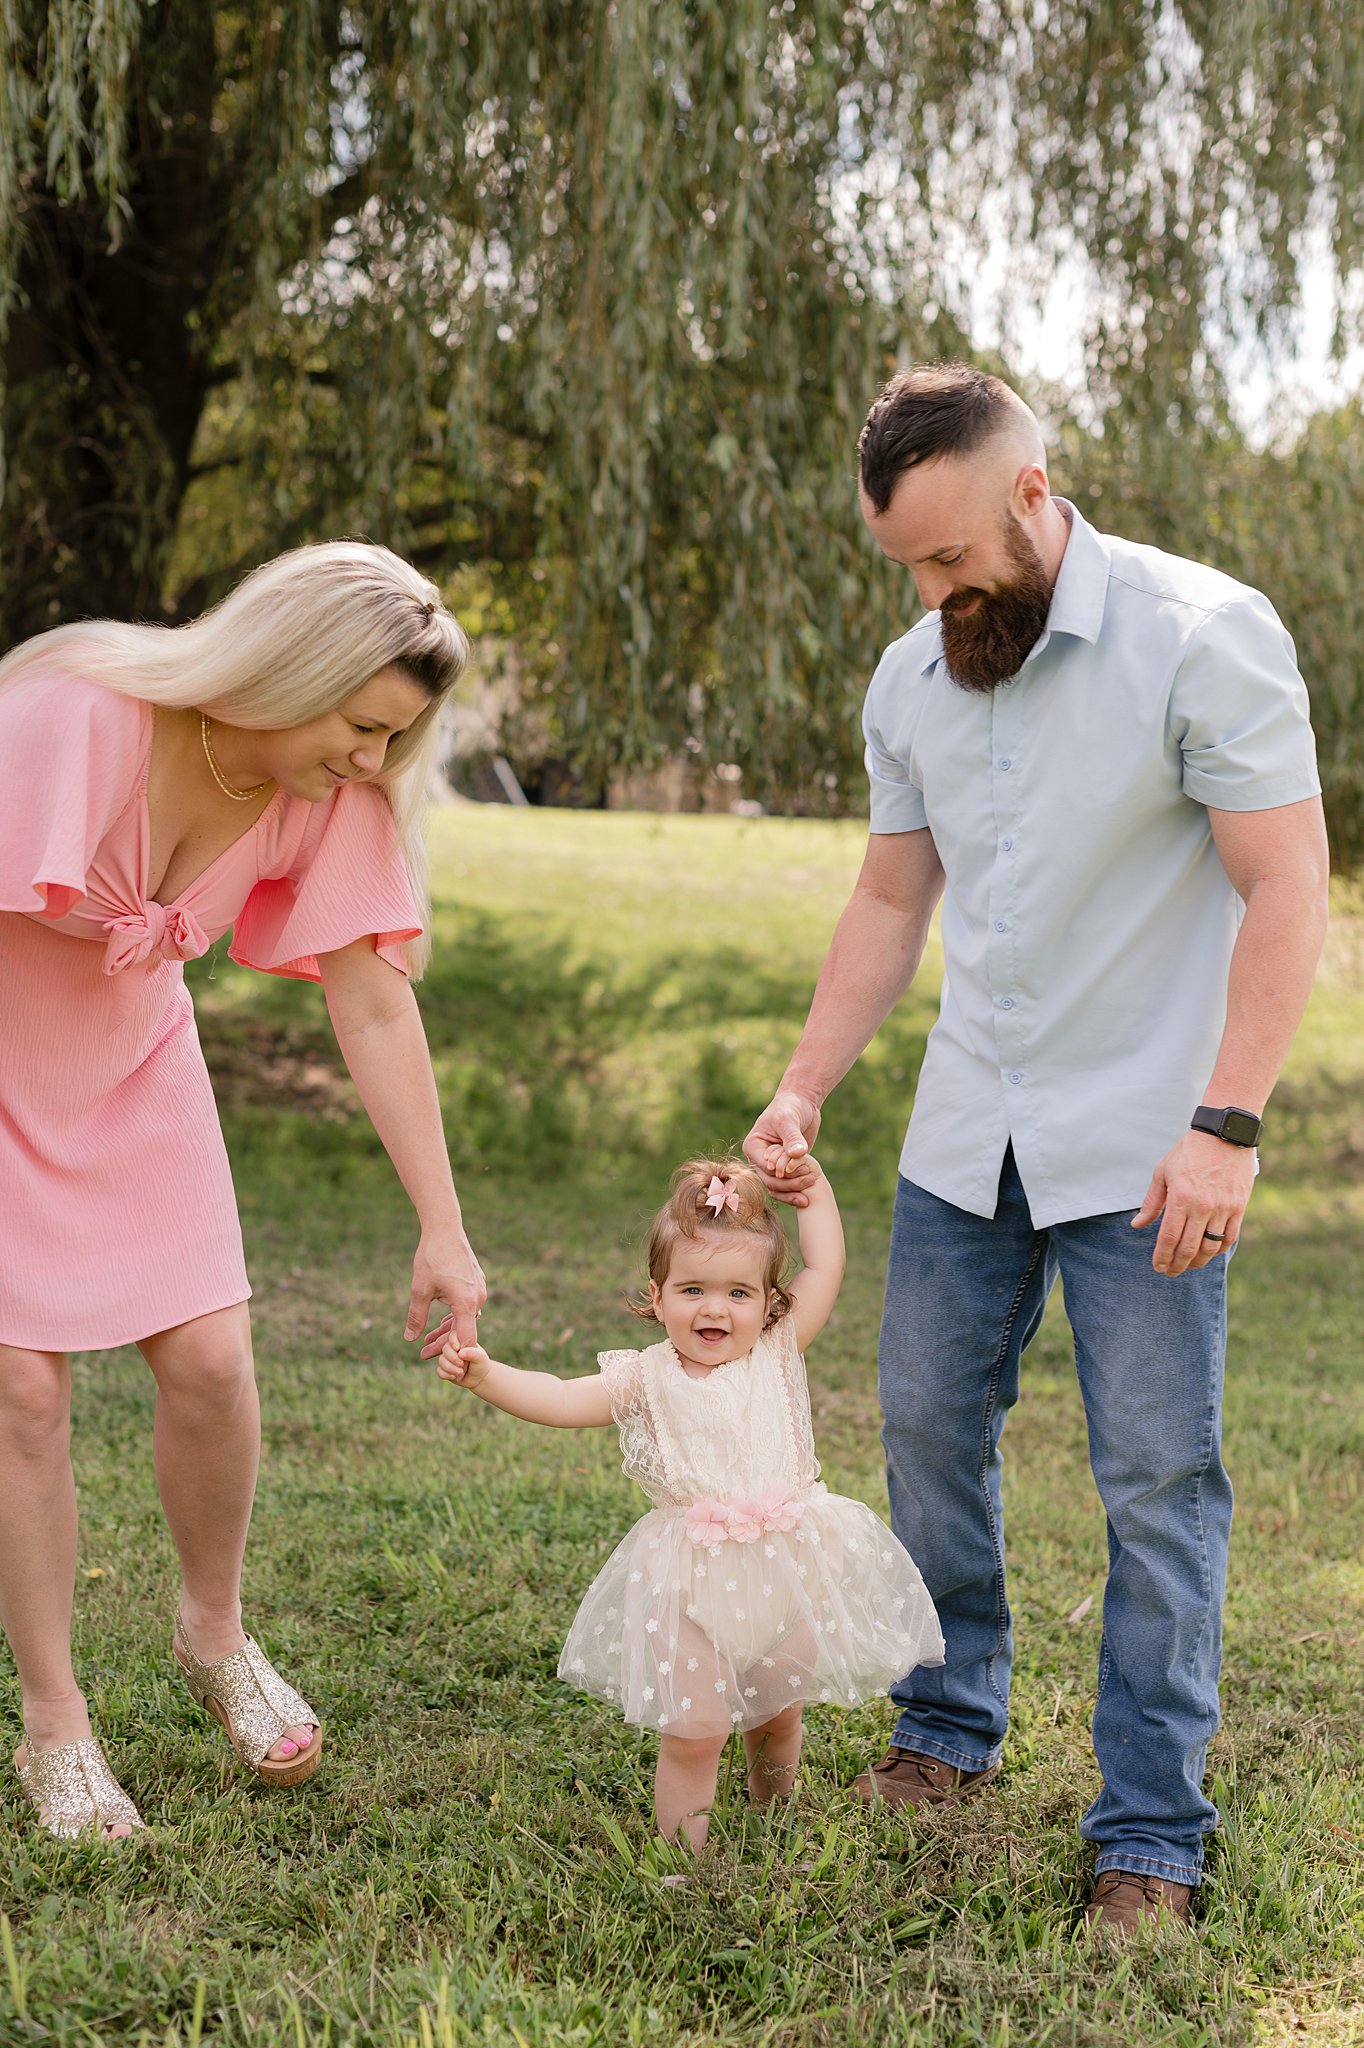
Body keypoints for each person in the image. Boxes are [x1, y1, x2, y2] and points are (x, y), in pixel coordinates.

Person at [744, 364, 1329, 1934]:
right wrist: (806, 1086)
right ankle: (948, 1728)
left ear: (1029, 490)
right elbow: (889, 899)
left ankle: (1151, 1832)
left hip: (1151, 1147)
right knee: (927, 1427)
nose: (934, 594)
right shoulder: (912, 678)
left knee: (1157, 1478)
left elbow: (1289, 889)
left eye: (949, 559)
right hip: (965, 1136)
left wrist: (1228, 1128)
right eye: (907, 569)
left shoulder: (1203, 635)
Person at [0, 541, 487, 1839]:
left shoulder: (325, 796)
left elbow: (375, 1008)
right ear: (288, 667)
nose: (373, 762)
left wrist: (443, 1227)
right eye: (361, 724)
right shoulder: (77, 714)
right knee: (23, 1386)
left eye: (398, 737)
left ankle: (212, 1635)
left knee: (213, 1362)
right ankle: (55, 1726)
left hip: (130, 1059)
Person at [427, 1156, 943, 1854]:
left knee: (777, 1713)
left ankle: (772, 1818)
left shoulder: (777, 1350)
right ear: (658, 1294)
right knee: (695, 1729)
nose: (714, 1309)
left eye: (738, 1293)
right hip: (689, 1587)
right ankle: (683, 1862)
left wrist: (811, 1189)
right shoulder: (645, 1378)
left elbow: (824, 1267)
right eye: (692, 1289)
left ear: (769, 1303)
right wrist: (489, 1377)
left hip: (787, 1575)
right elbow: (556, 1395)